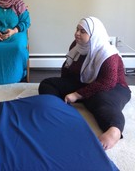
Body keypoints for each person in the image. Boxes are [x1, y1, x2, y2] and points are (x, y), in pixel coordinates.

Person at [38, 16, 131, 150]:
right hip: (84, 81)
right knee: (47, 84)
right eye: (77, 29)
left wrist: (76, 94)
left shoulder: (108, 54)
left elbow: (107, 82)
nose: (77, 33)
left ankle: (114, 131)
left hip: (112, 87)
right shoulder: (77, 45)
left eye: (82, 31)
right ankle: (58, 109)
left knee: (100, 101)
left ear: (93, 34)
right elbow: (68, 67)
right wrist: (63, 86)